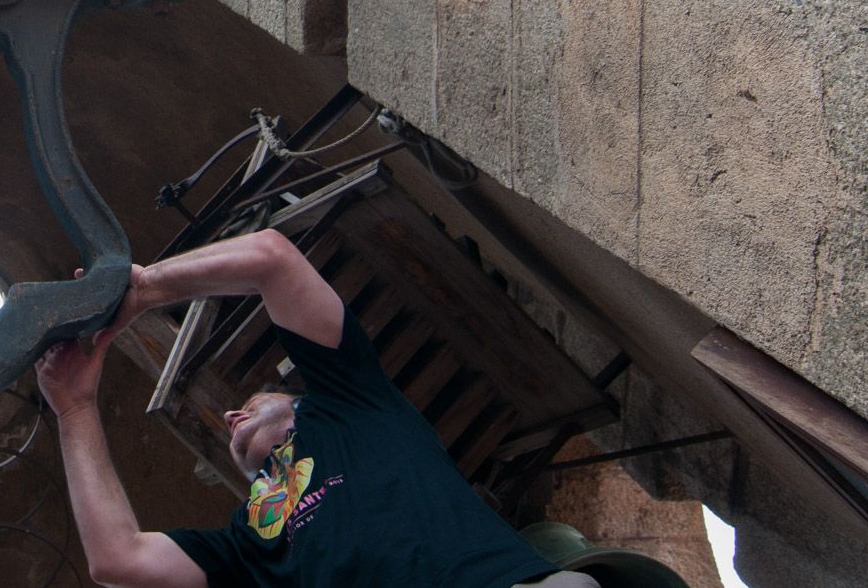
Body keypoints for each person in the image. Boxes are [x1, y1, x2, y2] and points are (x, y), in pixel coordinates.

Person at [34, 231, 597, 588]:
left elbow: (272, 258)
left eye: (252, 403)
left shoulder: (352, 400)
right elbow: (116, 559)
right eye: (234, 419)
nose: (232, 417)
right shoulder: (246, 545)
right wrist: (75, 408)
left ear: (299, 407)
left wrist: (145, 290)